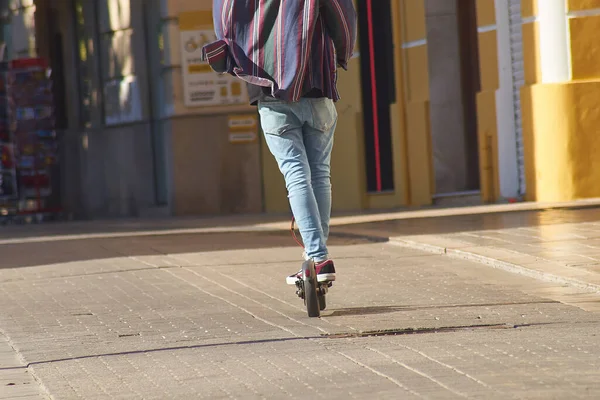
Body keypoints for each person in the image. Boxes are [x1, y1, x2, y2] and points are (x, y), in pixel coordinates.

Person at [203, 0, 357, 284]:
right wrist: (342, 51)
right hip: (317, 81)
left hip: (269, 89)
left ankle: (318, 256)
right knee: (320, 174)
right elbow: (341, 15)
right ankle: (317, 259)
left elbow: (224, 19)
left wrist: (228, 54)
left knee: (297, 175)